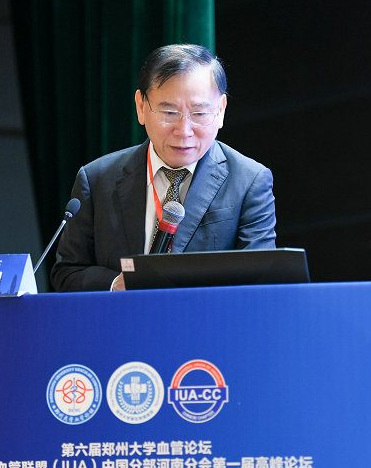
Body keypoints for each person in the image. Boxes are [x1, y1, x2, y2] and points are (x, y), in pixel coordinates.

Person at [50, 44, 276, 291]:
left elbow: (261, 280)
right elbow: (67, 272)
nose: (184, 130)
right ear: (141, 107)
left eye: (199, 114)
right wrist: (116, 284)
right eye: (169, 112)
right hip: (123, 315)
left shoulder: (249, 181)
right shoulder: (97, 179)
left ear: (220, 110)